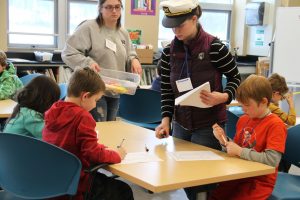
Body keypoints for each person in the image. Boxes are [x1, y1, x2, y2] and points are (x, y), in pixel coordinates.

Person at [155, 0, 241, 199]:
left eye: (180, 25)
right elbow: (167, 89)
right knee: (185, 176)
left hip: (209, 125)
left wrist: (225, 96)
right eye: (172, 26)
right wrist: (166, 120)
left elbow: (236, 78)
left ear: (194, 19)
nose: (176, 30)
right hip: (181, 124)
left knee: (204, 181)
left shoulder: (216, 48)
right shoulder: (169, 52)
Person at [42, 67, 134, 200]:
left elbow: (75, 144)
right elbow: (92, 154)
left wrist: (100, 147)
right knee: (124, 190)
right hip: (76, 184)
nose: (95, 105)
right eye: (96, 100)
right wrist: (116, 155)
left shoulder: (53, 109)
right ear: (85, 96)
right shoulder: (82, 117)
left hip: (53, 180)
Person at [62, 0, 142, 122]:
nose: (114, 11)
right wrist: (88, 63)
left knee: (109, 128)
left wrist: (134, 59)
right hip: (93, 90)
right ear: (100, 8)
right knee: (97, 130)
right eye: (109, 7)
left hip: (115, 90)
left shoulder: (123, 32)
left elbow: (130, 53)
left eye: (117, 7)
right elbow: (69, 53)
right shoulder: (88, 28)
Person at [210, 75, 287, 200]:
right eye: (241, 105)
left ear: (263, 102)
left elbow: (272, 160)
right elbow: (236, 149)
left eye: (247, 105)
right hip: (239, 174)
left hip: (258, 181)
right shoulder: (244, 119)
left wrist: (239, 151)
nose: (243, 109)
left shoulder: (276, 125)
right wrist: (224, 140)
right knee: (215, 195)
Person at [268, 73, 296, 173]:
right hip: (273, 149)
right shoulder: (271, 107)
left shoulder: (263, 102)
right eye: (280, 96)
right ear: (275, 93)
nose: (281, 98)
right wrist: (291, 104)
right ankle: (282, 172)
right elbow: (292, 121)